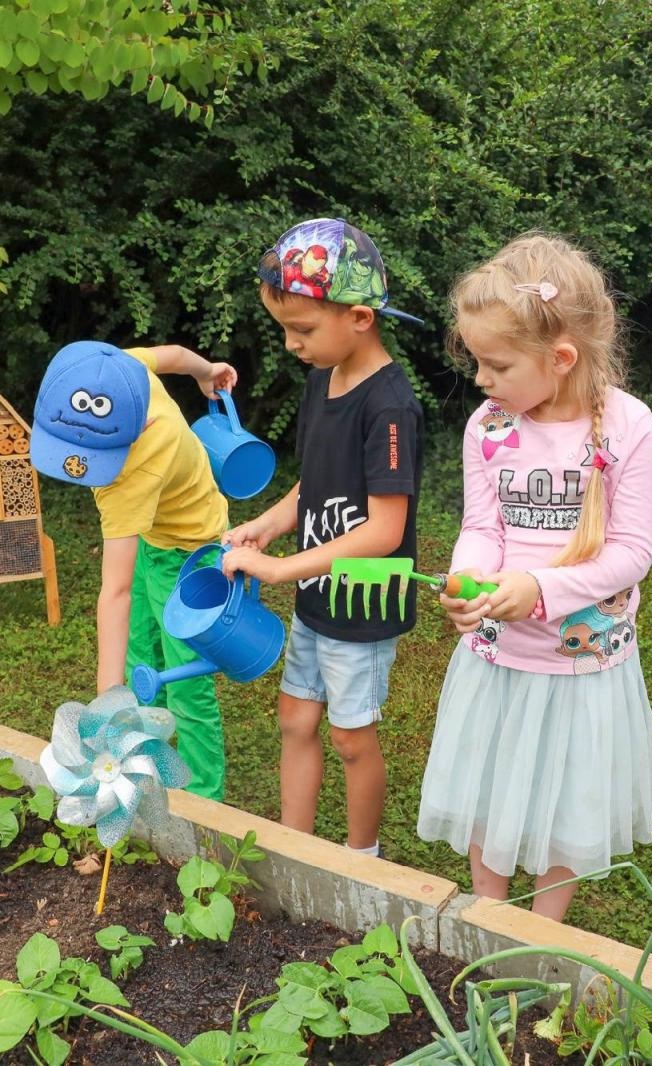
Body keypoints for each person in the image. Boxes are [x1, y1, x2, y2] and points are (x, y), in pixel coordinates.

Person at [417, 232, 652, 923]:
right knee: (486, 783)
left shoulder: (629, 427)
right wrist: (469, 580)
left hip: (581, 664)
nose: (480, 380)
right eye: (476, 362)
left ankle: (540, 928)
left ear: (560, 359)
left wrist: (541, 591)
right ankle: (490, 915)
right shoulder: (488, 428)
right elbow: (482, 527)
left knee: (567, 795)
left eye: (495, 364)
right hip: (497, 655)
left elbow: (631, 553)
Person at [220, 219, 425, 859]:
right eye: (284, 328)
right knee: (295, 718)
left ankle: (363, 860)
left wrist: (283, 569)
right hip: (317, 591)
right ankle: (295, 848)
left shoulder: (390, 406)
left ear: (360, 316)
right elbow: (313, 484)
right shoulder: (322, 380)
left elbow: (386, 529)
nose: (290, 344)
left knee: (350, 738)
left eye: (303, 330)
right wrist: (267, 525)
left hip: (361, 603)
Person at [29, 340, 237, 799]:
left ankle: (205, 803)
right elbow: (177, 355)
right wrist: (207, 371)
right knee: (143, 659)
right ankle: (149, 777)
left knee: (185, 683)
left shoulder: (134, 473)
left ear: (136, 424)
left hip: (191, 556)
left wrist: (108, 699)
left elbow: (115, 593)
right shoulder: (117, 374)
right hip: (151, 537)